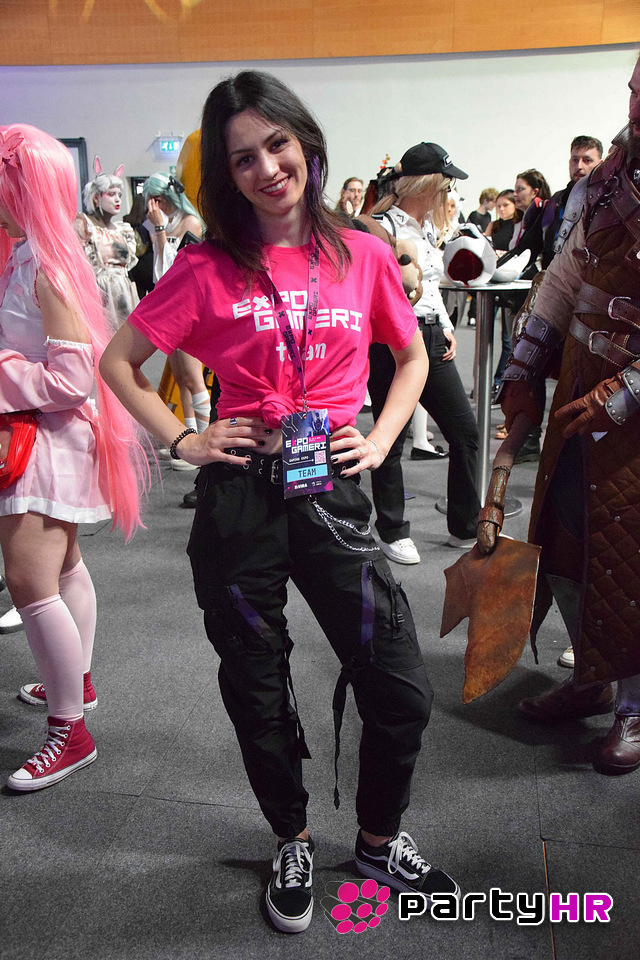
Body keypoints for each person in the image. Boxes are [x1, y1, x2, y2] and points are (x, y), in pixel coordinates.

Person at [100, 71, 458, 934]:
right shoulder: (205, 266)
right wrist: (183, 441)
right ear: (226, 176)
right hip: (240, 501)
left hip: (331, 491)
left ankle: (378, 842)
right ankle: (290, 838)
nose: (266, 168)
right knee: (258, 689)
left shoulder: (363, 253)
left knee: (399, 686)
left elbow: (412, 355)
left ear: (305, 143)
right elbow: (118, 363)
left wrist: (381, 438)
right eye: (242, 158)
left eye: (277, 144)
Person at [500, 53, 640, 777]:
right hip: (580, 382)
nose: (637, 102)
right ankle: (592, 677)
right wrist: (524, 364)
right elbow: (563, 275)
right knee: (565, 531)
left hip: (632, 405)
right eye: (636, 88)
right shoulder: (608, 176)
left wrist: (628, 391)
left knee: (633, 550)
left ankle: (635, 706)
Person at [0, 124, 145, 791]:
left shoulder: (46, 264)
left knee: (31, 583)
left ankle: (70, 731)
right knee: (62, 568)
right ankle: (75, 687)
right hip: (45, 436)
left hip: (47, 438)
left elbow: (70, 377)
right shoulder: (35, 254)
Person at [370, 143, 482, 555]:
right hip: (392, 340)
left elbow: (431, 286)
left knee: (465, 434)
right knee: (389, 436)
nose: (450, 193)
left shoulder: (428, 227)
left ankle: (465, 526)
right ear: (428, 184)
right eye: (446, 184)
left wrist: (446, 325)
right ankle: (392, 530)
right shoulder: (379, 226)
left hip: (431, 336)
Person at [142, 173, 210, 467]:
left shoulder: (191, 223)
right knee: (181, 378)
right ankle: (189, 441)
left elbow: (176, 269)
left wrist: (159, 228)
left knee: (194, 378)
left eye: (156, 200)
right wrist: (159, 228)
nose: (154, 207)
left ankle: (204, 446)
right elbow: (159, 270)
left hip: (189, 309)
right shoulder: (166, 224)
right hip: (171, 306)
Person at [74, 159, 139, 332]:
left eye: (119, 195)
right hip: (99, 291)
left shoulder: (123, 229)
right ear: (96, 198)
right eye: (111, 194)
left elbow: (129, 266)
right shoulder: (85, 226)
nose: (117, 199)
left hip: (124, 291)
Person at [541, 135, 603, 269]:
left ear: (600, 164)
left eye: (587, 160)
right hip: (554, 274)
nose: (579, 166)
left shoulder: (607, 202)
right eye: (575, 160)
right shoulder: (557, 199)